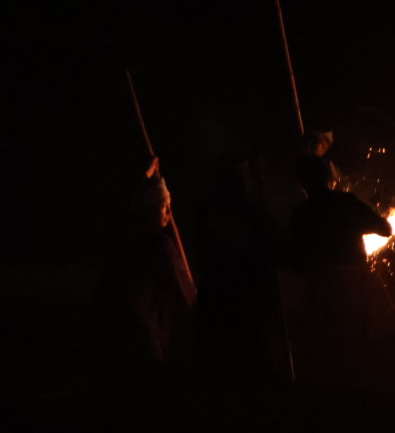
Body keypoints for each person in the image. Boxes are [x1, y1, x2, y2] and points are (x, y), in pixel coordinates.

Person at [285, 153, 395, 382]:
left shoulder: (301, 213)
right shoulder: (346, 201)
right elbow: (385, 229)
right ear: (329, 178)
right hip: (357, 283)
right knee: (367, 342)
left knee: (331, 348)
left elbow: (293, 258)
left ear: (301, 183)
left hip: (323, 286)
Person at [94, 156, 196, 367]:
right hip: (140, 324)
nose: (168, 214)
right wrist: (197, 304)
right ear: (150, 207)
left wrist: (145, 176)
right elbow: (181, 286)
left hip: (114, 322)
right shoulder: (157, 242)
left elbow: (122, 209)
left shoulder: (127, 232)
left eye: (169, 207)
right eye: (164, 207)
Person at [194, 152, 286, 384]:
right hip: (247, 302)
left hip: (220, 302)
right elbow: (280, 251)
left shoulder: (207, 212)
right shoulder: (252, 215)